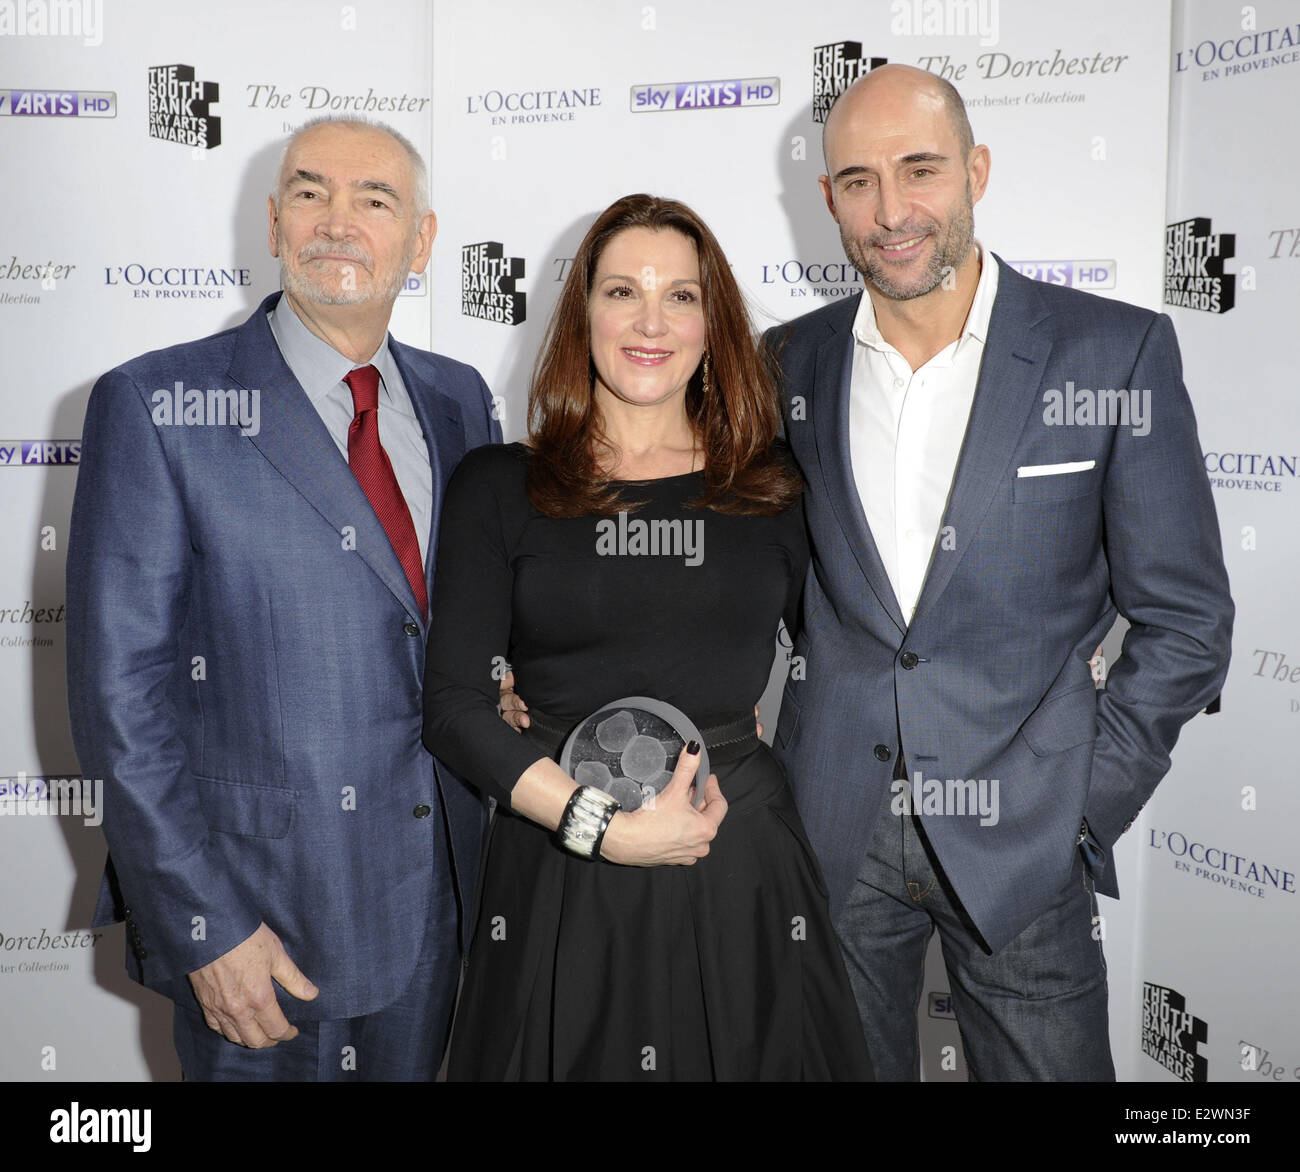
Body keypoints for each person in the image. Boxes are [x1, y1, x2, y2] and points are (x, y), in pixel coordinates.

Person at [764, 64, 1234, 1081]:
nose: (890, 212)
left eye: (919, 169)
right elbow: (759, 584)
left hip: (1024, 835)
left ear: (975, 168)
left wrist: (1076, 807)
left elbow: (1187, 621)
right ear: (827, 198)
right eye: (856, 180)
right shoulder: (783, 366)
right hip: (833, 829)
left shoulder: (1112, 354)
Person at [66, 117, 499, 1080]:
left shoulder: (460, 399)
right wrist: (203, 926)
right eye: (310, 193)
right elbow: (119, 702)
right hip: (262, 936)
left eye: (374, 199)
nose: (337, 222)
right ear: (272, 224)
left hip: (442, 911)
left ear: (421, 240)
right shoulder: (158, 405)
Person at [423, 193, 874, 1080]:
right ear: (581, 313)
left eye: (682, 296)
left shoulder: (776, 487)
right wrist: (601, 827)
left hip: (737, 858)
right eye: (623, 291)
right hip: (560, 862)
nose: (650, 322)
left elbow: (855, 654)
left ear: (715, 324)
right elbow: (455, 707)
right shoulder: (499, 485)